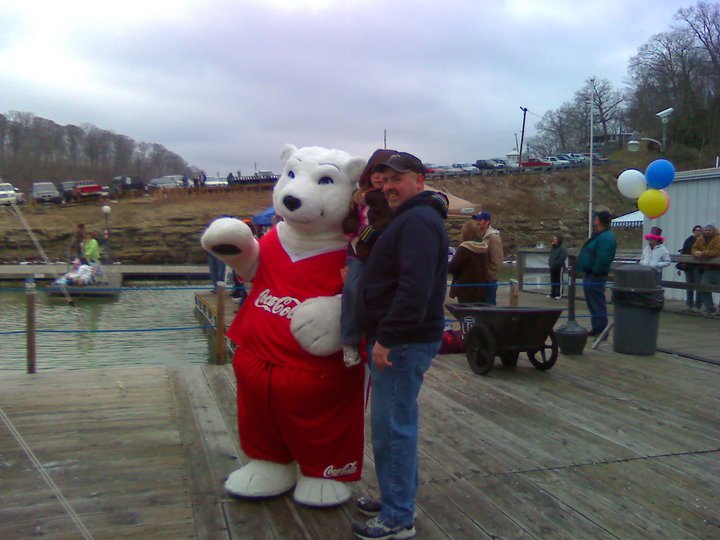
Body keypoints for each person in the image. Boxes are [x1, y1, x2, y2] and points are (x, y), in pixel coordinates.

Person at [354, 151, 449, 540]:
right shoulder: (412, 218)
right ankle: (397, 498)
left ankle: (397, 519)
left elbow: (415, 288)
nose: (390, 186)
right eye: (385, 179)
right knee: (396, 424)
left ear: (419, 182)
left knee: (393, 428)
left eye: (399, 179)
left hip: (402, 342)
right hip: (401, 339)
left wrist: (388, 338)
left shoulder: (418, 222)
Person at [340, 148, 395, 366]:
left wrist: (438, 200)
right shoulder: (359, 197)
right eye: (375, 172)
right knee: (353, 289)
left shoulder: (394, 195)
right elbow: (348, 221)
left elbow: (396, 217)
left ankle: (385, 337)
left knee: (386, 294)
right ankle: (350, 341)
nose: (378, 176)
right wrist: (361, 230)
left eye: (384, 171)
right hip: (360, 254)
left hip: (383, 253)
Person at [577, 210, 617, 336]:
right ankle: (597, 327)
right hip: (590, 274)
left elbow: (603, 258)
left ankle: (600, 329)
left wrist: (595, 272)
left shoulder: (606, 238)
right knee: (592, 302)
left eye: (595, 219)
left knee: (597, 303)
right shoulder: (600, 235)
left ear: (598, 220)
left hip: (595, 276)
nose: (594, 221)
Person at [448, 220, 489, 304]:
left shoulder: (464, 249)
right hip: (480, 289)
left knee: (466, 315)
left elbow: (452, 267)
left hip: (465, 289)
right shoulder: (484, 248)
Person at [471, 211, 503, 305]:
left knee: (489, 309)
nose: (477, 222)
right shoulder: (477, 236)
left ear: (487, 222)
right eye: (477, 219)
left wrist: (488, 277)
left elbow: (497, 261)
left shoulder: (493, 237)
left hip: (488, 282)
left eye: (480, 220)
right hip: (478, 281)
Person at [691, 223, 720, 317]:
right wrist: (696, 253)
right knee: (703, 287)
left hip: (718, 268)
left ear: (714, 231)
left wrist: (703, 254)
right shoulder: (701, 238)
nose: (708, 231)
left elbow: (717, 251)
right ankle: (710, 308)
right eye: (706, 230)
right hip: (708, 268)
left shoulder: (718, 238)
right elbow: (694, 247)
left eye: (710, 230)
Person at [678, 225, 703, 312]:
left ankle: (697, 306)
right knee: (689, 286)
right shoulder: (689, 240)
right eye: (696, 230)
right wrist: (682, 262)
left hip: (698, 267)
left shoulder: (703, 241)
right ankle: (689, 304)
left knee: (698, 286)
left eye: (699, 230)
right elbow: (684, 251)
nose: (698, 232)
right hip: (688, 267)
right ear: (693, 231)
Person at [547, 234, 567, 299]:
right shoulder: (553, 247)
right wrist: (550, 263)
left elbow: (562, 258)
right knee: (553, 280)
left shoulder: (562, 248)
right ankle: (553, 293)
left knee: (559, 280)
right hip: (552, 266)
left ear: (559, 240)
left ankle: (559, 294)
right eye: (554, 239)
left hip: (559, 267)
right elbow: (551, 256)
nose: (554, 240)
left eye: (555, 239)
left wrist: (556, 264)